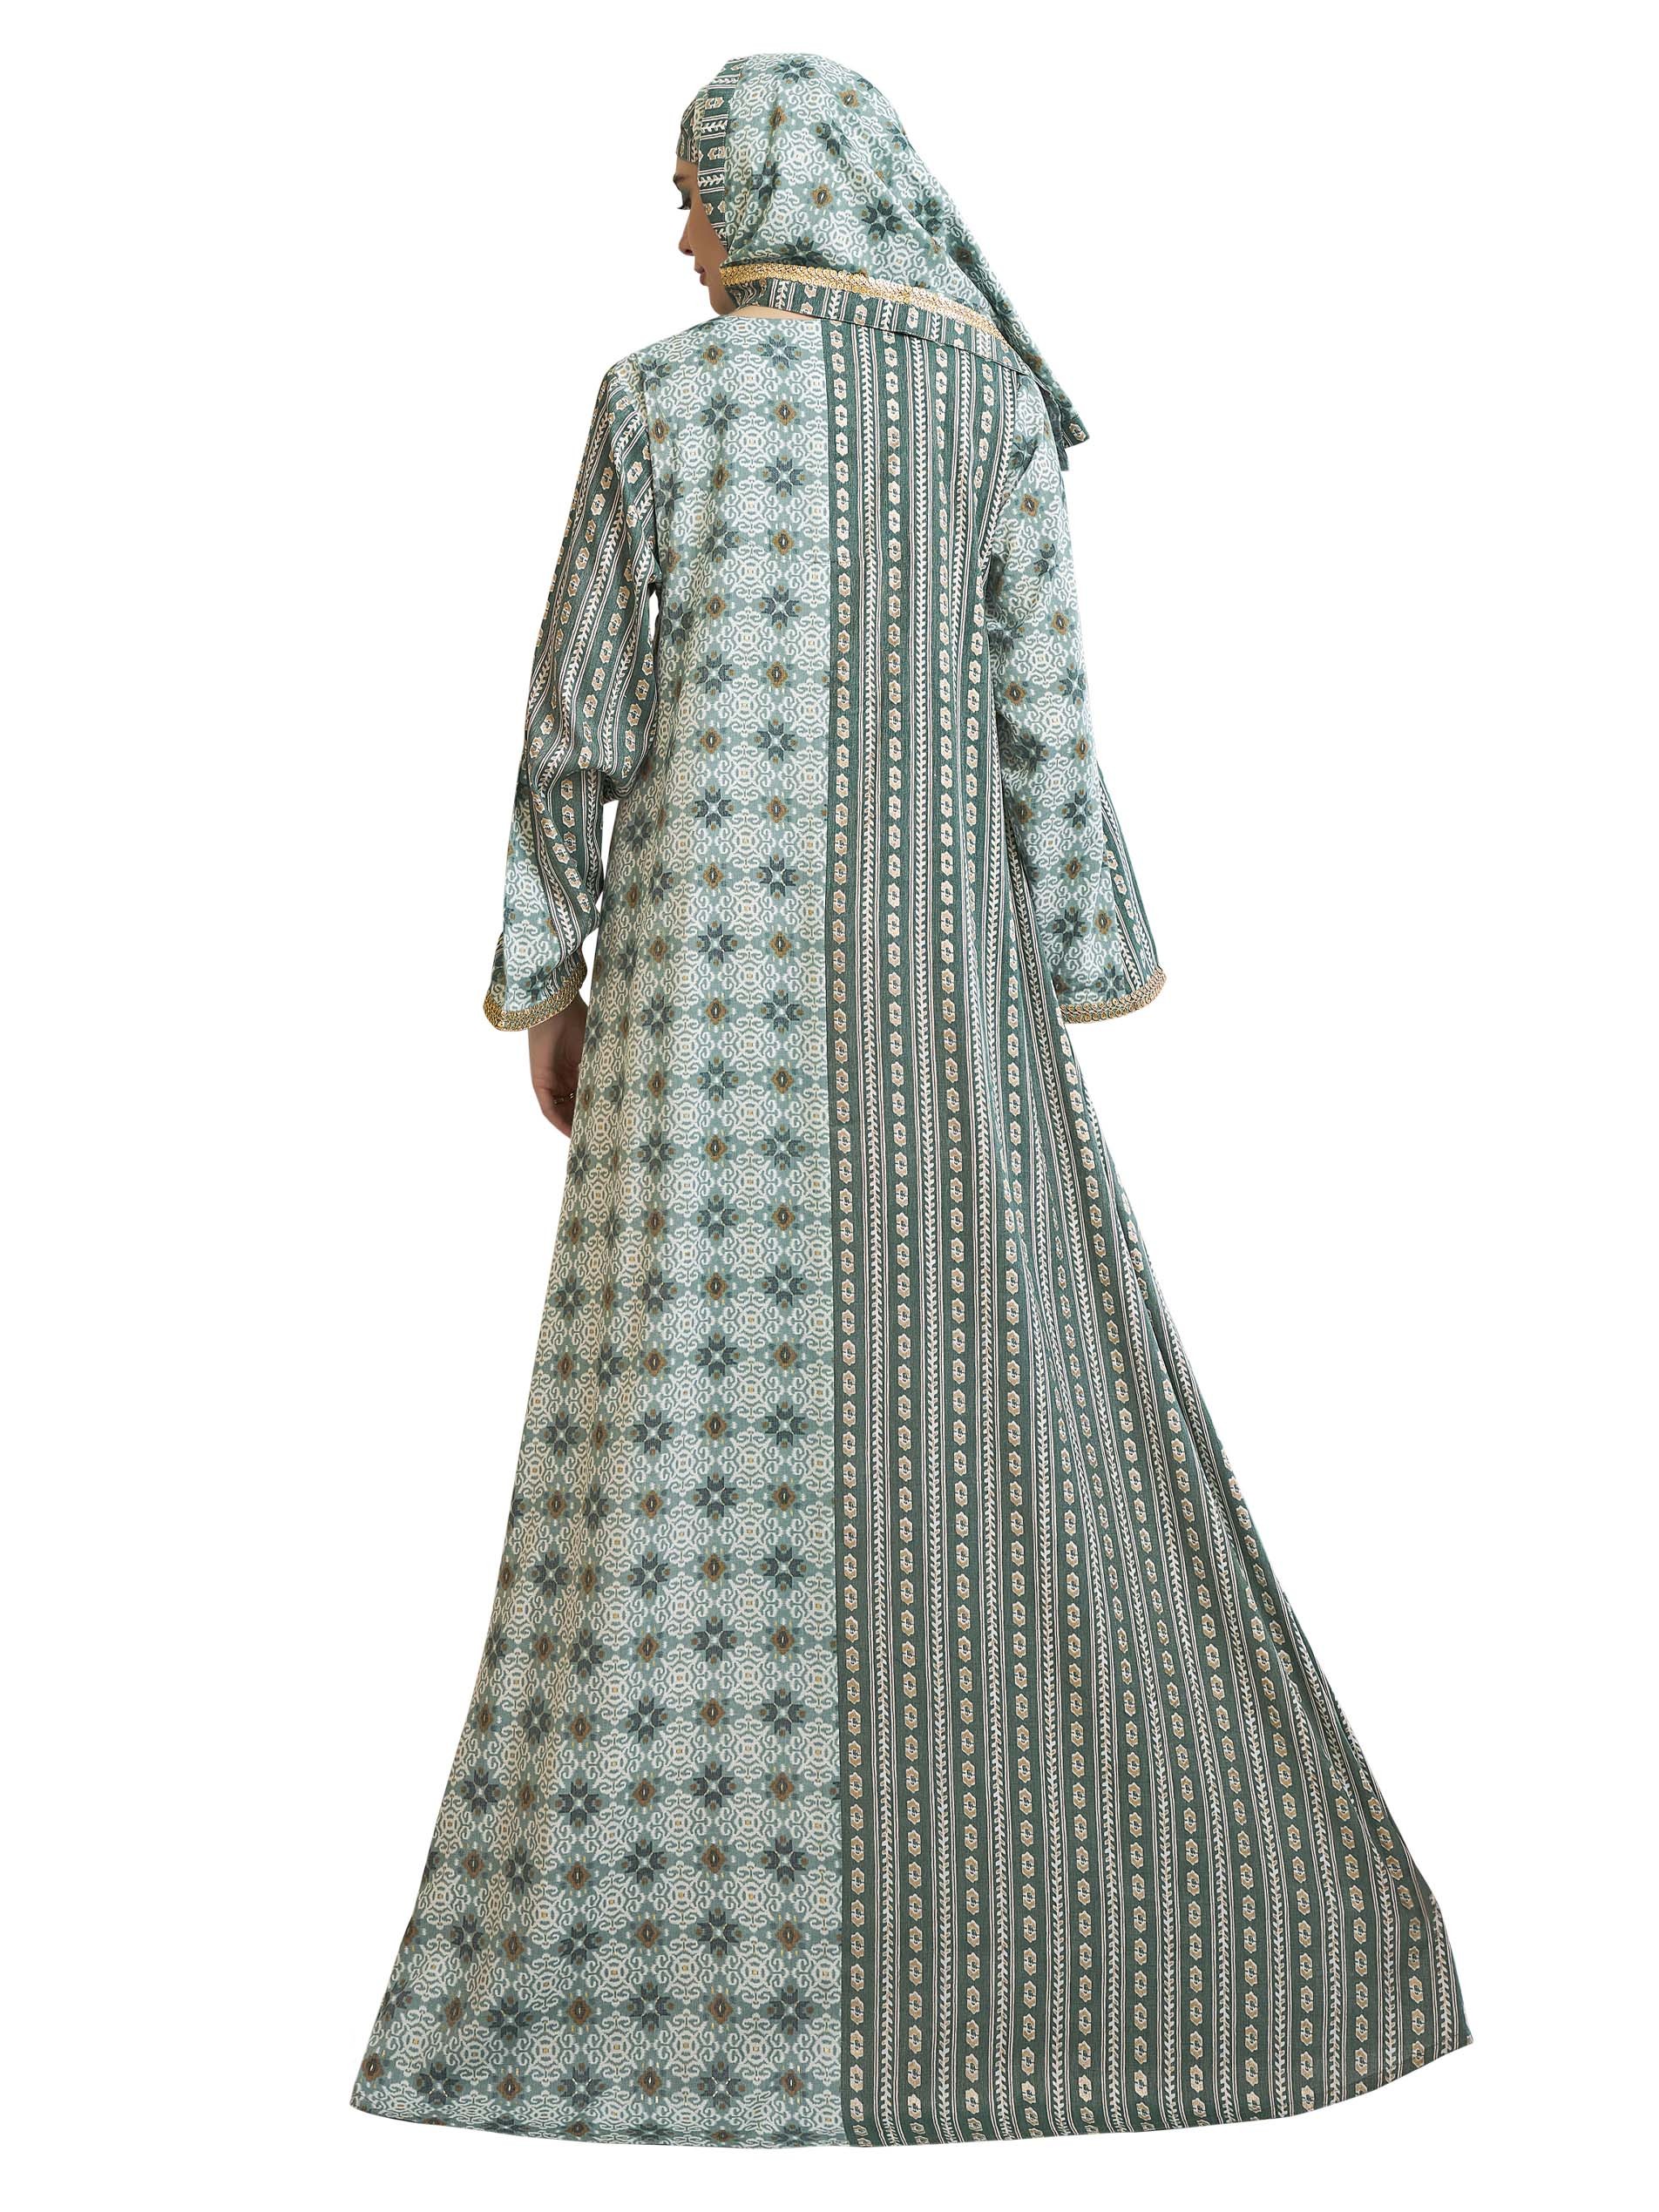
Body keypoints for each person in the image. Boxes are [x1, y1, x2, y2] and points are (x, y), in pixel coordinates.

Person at [350, 51, 1469, 2148]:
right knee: (986, 1413)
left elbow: (575, 718)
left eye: (690, 184)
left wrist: (544, 975)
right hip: (943, 1003)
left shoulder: (658, 402)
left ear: (774, 182)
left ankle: (630, 1997)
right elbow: (1047, 725)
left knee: (662, 1434)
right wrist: (1087, 955)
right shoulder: (988, 409)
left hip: (696, 1017)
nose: (680, 225)